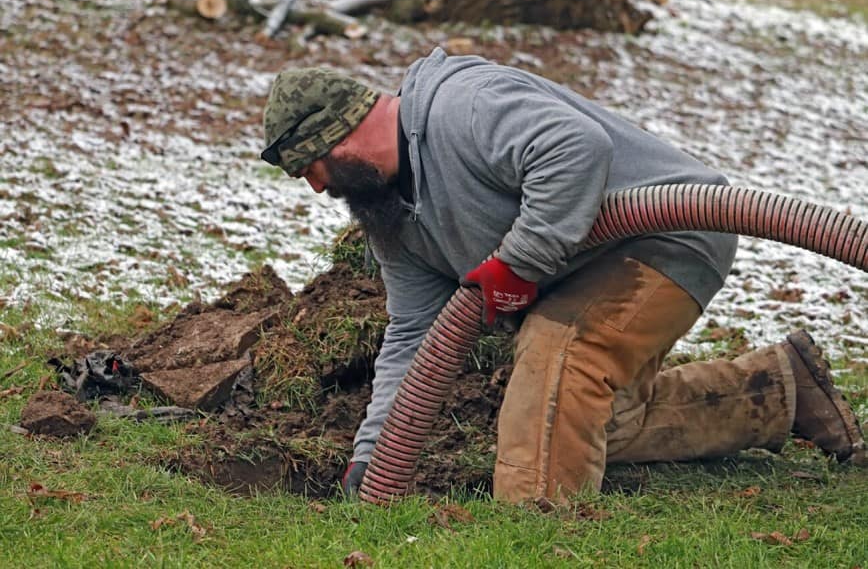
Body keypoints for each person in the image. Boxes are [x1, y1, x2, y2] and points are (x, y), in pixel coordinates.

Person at [260, 48, 866, 502]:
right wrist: (373, 456)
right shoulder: (393, 218)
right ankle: (779, 389)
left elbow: (575, 147)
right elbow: (414, 335)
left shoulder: (463, 106)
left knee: (558, 351)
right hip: (582, 267)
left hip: (667, 232)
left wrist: (518, 263)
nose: (317, 187)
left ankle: (536, 527)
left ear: (339, 133)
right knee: (593, 423)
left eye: (312, 167)